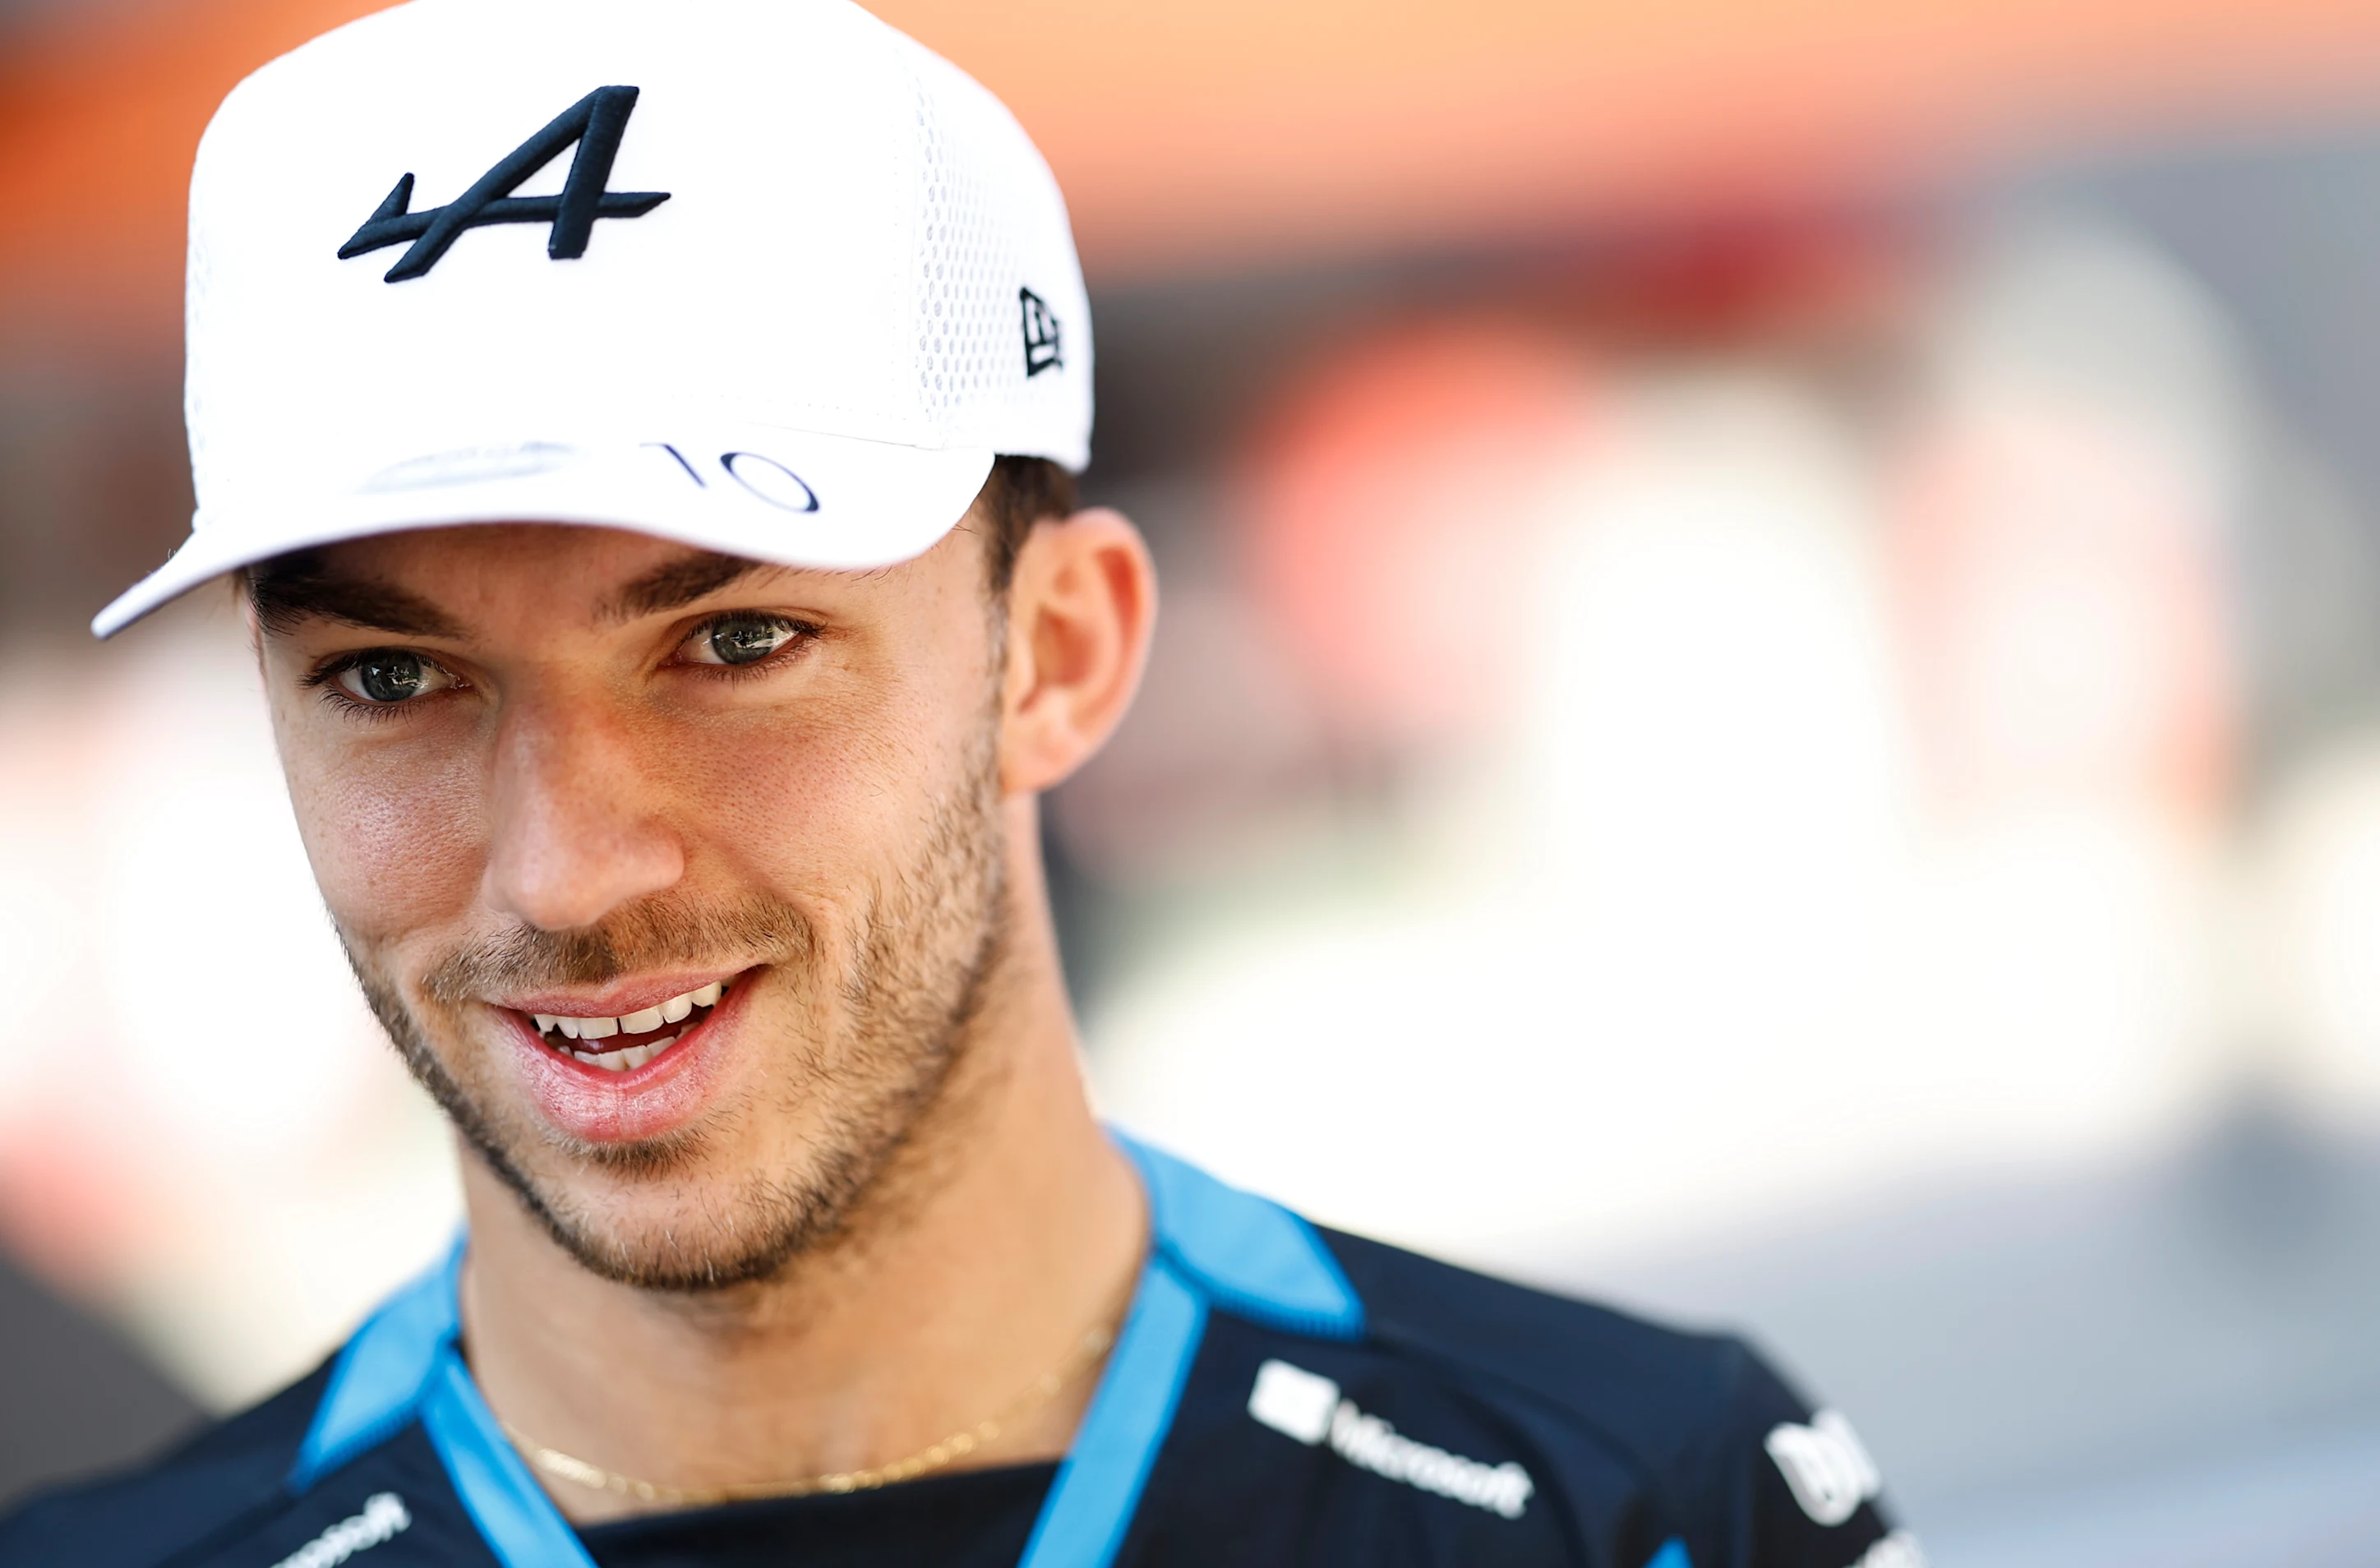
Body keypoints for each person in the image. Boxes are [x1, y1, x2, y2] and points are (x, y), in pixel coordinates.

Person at [0, 1, 1916, 1564]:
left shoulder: (1637, 1511)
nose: (568, 868)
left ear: (1056, 652)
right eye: (393, 677)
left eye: (734, 644)